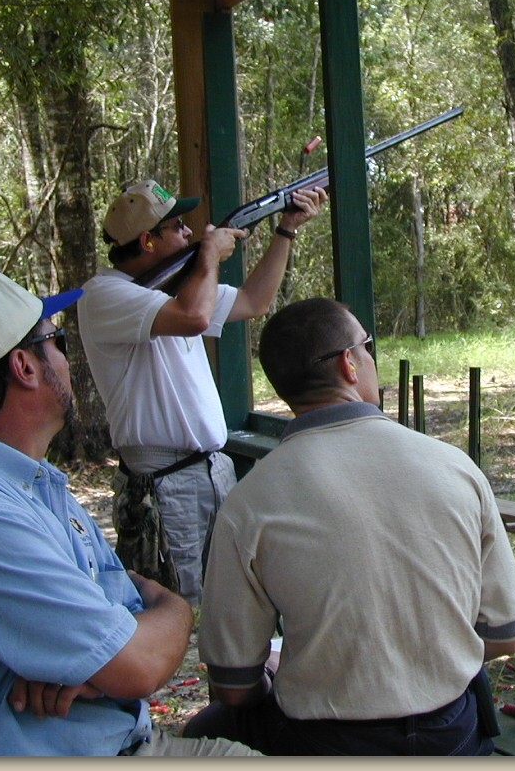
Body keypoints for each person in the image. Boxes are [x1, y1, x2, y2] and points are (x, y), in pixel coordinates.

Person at [0, 267, 259, 756]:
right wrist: (173, 609)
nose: (66, 356)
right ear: (25, 367)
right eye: (55, 340)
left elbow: (125, 611)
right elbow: (140, 664)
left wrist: (105, 657)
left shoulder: (25, 481)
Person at [185, 297, 515, 755]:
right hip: (453, 736)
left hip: (323, 743)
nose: (370, 358)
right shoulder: (455, 467)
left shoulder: (249, 502)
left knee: (203, 730)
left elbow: (233, 686)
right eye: (368, 346)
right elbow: (506, 636)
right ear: (349, 363)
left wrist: (281, 674)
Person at [77, 179, 327, 604]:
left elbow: (254, 301)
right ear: (147, 241)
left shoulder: (177, 289)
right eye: (177, 226)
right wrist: (209, 256)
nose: (190, 232)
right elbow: (194, 317)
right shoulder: (105, 294)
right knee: (179, 608)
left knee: (231, 599)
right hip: (166, 483)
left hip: (211, 468)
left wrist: (286, 229)